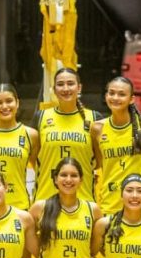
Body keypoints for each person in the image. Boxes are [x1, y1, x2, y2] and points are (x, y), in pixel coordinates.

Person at [92, 76, 141, 215]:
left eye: (121, 94)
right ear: (106, 95)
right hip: (111, 204)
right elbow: (100, 164)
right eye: (111, 93)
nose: (115, 97)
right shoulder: (97, 128)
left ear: (131, 99)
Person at [34, 68, 96, 202]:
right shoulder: (41, 117)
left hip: (83, 200)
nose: (65, 88)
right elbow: (32, 158)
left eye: (70, 83)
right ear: (54, 89)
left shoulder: (94, 118)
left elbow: (101, 161)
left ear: (79, 88)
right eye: (60, 84)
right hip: (46, 199)